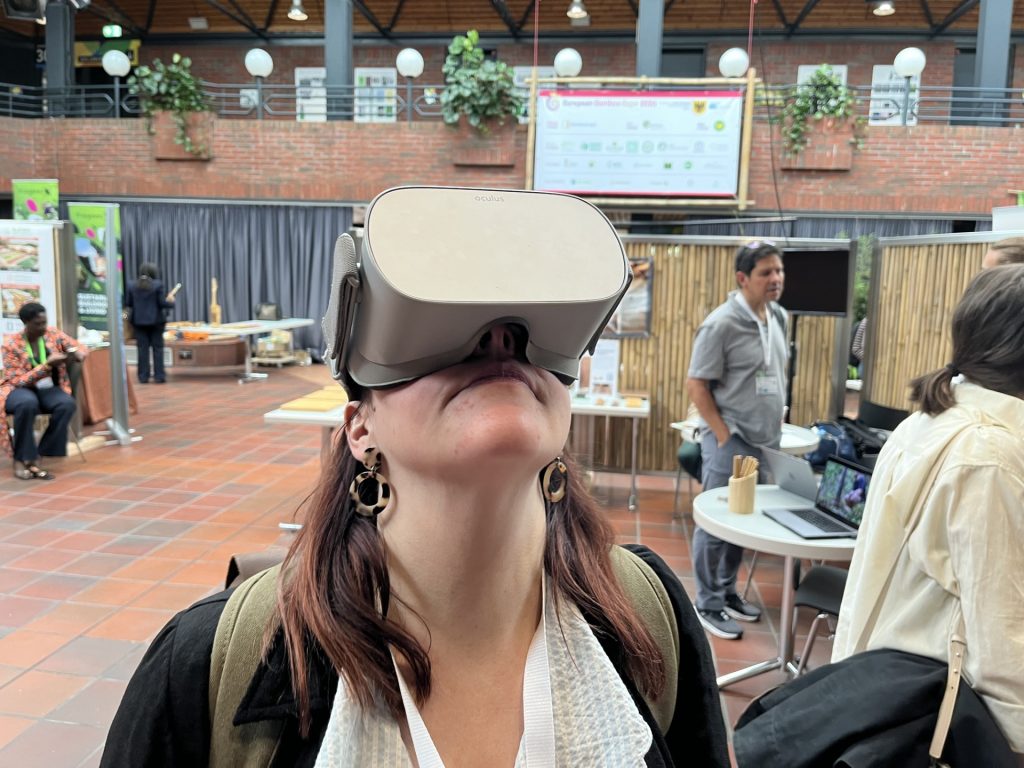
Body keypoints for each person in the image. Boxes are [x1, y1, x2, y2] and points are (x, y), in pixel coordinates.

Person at [101, 188, 729, 767]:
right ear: (359, 428)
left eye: (522, 328)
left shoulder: (650, 621)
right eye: (445, 321)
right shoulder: (207, 664)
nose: (499, 339)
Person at [832, 264, 1024, 755]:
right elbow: (1004, 654)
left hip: (881, 699)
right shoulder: (988, 458)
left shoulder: (929, 422)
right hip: (938, 723)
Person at [686, 241, 788, 640]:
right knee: (716, 523)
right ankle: (707, 603)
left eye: (778, 271)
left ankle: (727, 592)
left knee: (743, 521)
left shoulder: (777, 316)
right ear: (742, 278)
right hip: (731, 441)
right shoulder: (721, 324)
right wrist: (725, 437)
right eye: (766, 273)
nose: (776, 279)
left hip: (765, 442)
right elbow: (696, 385)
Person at [1, 302, 87, 480]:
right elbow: (17, 380)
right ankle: (22, 458)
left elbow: (79, 346)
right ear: (26, 323)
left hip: (48, 387)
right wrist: (46, 365)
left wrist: (77, 352)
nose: (42, 327)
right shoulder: (11, 344)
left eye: (44, 322)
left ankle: (39, 454)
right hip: (20, 388)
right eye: (37, 324)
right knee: (27, 404)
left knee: (66, 404)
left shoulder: (52, 334)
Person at [126, 262, 175, 384]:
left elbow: (128, 303)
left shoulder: (131, 285)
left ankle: (143, 376)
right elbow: (162, 304)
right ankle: (159, 376)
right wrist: (171, 301)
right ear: (154, 272)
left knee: (142, 350)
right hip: (156, 322)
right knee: (158, 348)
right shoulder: (158, 285)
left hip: (138, 322)